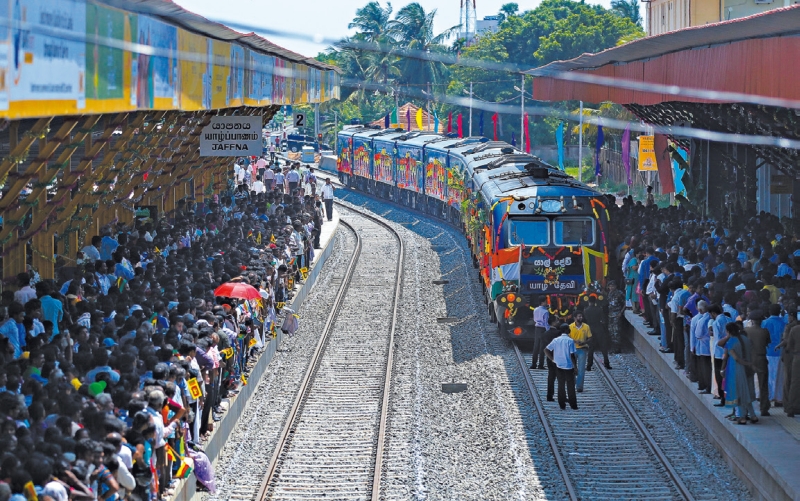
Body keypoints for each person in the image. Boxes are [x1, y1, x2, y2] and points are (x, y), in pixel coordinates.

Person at [719, 322, 759, 424]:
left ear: (728, 331)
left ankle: (742, 417)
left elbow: (736, 358)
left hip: (737, 370)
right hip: (748, 370)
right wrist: (750, 364)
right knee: (748, 393)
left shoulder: (731, 342)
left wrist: (747, 363)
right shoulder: (745, 339)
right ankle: (753, 415)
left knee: (740, 393)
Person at [545, 323, 578, 410]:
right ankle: (573, 404)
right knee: (570, 385)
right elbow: (572, 355)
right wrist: (575, 367)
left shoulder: (556, 340)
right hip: (568, 366)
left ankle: (562, 404)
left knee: (561, 384)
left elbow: (546, 350)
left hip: (558, 365)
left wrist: (552, 359)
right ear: (567, 330)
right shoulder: (570, 341)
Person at [744, 312, 771, 415]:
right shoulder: (764, 331)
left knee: (747, 384)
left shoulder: (746, 330)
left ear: (751, 321)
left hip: (749, 359)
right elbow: (767, 342)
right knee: (763, 384)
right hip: (761, 358)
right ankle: (764, 408)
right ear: (761, 321)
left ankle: (746, 408)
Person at [584, 296, 612, 371]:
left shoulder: (586, 310)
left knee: (591, 348)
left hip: (590, 330)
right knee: (603, 347)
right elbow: (603, 320)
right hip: (599, 329)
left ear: (588, 301)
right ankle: (607, 363)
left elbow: (585, 320)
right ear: (595, 301)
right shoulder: (599, 310)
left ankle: (589, 365)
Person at [568, 311, 592, 392]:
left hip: (582, 349)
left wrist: (584, 342)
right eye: (579, 316)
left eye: (581, 316)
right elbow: (567, 338)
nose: (581, 318)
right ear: (575, 318)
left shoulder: (586, 327)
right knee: (571, 368)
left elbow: (590, 338)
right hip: (572, 350)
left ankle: (579, 386)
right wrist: (574, 341)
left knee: (581, 369)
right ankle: (572, 383)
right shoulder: (570, 327)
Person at [692, 300, 712, 394]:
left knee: (705, 368)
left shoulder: (700, 320)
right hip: (711, 346)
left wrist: (693, 347)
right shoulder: (710, 318)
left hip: (703, 347)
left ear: (699, 309)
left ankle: (706, 386)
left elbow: (697, 335)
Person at [541, 315, 562, 401]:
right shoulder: (558, 333)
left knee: (551, 377)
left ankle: (549, 395)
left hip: (550, 357)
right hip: (559, 357)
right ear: (553, 322)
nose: (558, 322)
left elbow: (544, 347)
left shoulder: (545, 334)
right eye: (556, 321)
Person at [530, 297, 549, 370]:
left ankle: (533, 364)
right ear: (542, 302)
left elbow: (535, 319)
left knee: (536, 346)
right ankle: (540, 364)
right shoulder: (545, 311)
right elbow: (545, 322)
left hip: (537, 328)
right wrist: (548, 330)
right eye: (545, 301)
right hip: (543, 329)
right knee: (542, 347)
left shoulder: (535, 309)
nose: (546, 303)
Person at [606, 280, 625, 352]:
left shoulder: (619, 293)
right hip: (610, 314)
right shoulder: (609, 293)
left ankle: (617, 347)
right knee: (611, 331)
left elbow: (625, 303)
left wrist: (621, 312)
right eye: (610, 286)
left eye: (612, 286)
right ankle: (613, 347)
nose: (611, 287)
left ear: (615, 286)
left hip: (617, 314)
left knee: (616, 331)